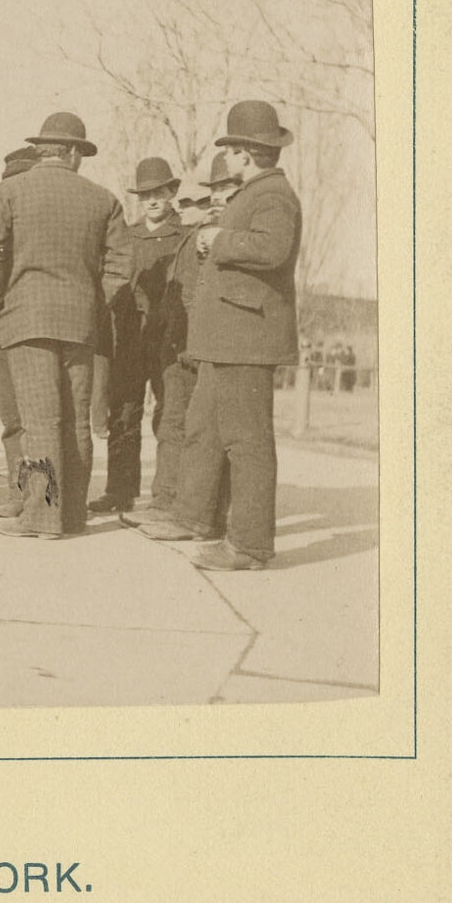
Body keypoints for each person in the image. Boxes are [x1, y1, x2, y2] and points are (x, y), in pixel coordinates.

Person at [0, 112, 131, 540]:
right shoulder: (104, 199)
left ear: (43, 149)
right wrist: (93, 303)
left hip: (25, 323)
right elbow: (120, 267)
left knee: (39, 421)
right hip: (80, 324)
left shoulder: (10, 191)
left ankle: (42, 517)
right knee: (77, 421)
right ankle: (72, 515)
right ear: (74, 153)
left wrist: (2, 303)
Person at [170, 101, 302, 572]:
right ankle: (198, 518)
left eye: (229, 149)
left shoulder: (272, 196)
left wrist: (216, 240)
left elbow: (272, 248)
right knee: (213, 431)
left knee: (247, 442)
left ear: (245, 152)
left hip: (247, 338)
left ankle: (248, 546)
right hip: (233, 337)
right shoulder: (259, 191)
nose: (225, 157)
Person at [137, 154, 239, 544]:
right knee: (173, 427)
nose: (211, 200)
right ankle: (167, 503)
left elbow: (207, 299)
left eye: (220, 190)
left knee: (206, 436)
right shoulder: (192, 238)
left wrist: (194, 346)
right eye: (210, 191)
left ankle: (203, 513)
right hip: (177, 351)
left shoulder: (223, 237)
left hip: (200, 352)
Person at [91, 155, 188, 521]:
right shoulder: (127, 238)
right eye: (145, 194)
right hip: (130, 336)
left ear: (172, 192)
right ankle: (119, 490)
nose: (151, 200)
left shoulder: (184, 238)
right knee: (124, 413)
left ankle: (168, 495)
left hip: (169, 340)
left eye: (158, 192)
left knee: (169, 416)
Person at [0, 146, 37, 519]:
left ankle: (44, 499)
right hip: (3, 332)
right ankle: (24, 496)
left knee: (31, 422)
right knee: (17, 421)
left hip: (18, 330)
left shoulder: (46, 222)